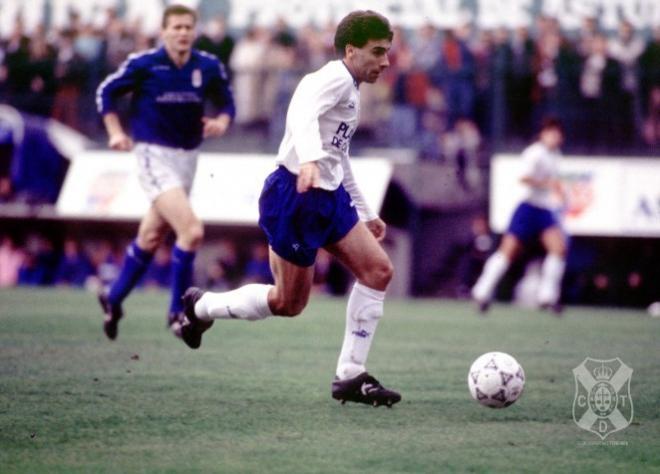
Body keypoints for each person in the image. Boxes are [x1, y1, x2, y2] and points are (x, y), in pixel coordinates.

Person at [179, 10, 401, 407]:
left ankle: (350, 374)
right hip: (296, 196)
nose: (385, 61)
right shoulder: (331, 78)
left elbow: (340, 153)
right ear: (351, 50)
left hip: (328, 197)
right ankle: (201, 306)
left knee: (378, 271)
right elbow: (300, 111)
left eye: (387, 52)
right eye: (378, 52)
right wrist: (311, 159)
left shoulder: (350, 87)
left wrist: (366, 210)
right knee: (288, 303)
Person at [95, 4, 235, 340]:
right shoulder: (144, 64)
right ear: (164, 32)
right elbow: (106, 93)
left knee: (151, 237)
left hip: (188, 158)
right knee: (192, 231)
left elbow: (227, 103)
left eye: (188, 27)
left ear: (195, 31)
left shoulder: (207, 66)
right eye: (176, 27)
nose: (183, 32)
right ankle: (178, 314)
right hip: (152, 155)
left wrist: (220, 121)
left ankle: (112, 298)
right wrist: (115, 131)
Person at [471, 118, 567, 313]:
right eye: (551, 132)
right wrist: (547, 185)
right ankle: (481, 291)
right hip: (527, 208)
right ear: (543, 134)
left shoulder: (556, 155)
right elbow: (524, 177)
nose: (555, 137)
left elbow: (553, 182)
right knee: (508, 252)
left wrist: (558, 191)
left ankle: (548, 296)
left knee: (558, 248)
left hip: (544, 209)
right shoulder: (535, 153)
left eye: (558, 133)